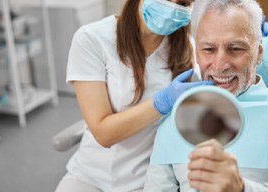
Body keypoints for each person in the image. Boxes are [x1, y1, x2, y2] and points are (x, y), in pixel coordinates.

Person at [143, 0, 268, 191]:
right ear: (197, 53)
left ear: (259, 53)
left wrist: (241, 188)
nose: (220, 65)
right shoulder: (174, 122)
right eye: (209, 49)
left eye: (236, 49)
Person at [54, 0, 215, 191]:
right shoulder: (92, 38)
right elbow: (103, 134)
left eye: (182, 2)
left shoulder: (186, 48)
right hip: (90, 176)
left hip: (147, 180)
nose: (172, 6)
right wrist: (161, 102)